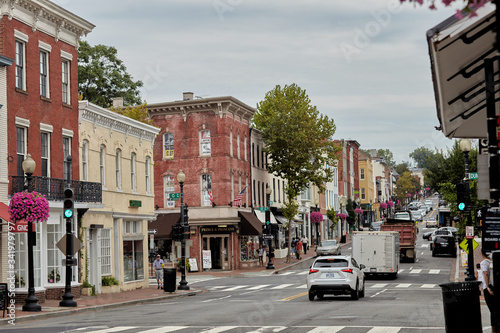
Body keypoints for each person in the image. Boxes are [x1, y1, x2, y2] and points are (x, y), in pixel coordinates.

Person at [481, 250, 496, 332]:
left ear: (482, 253)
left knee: (492, 310)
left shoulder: (484, 263)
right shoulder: (494, 261)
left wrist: (487, 286)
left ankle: (493, 329)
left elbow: (485, 273)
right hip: (495, 286)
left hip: (489, 288)